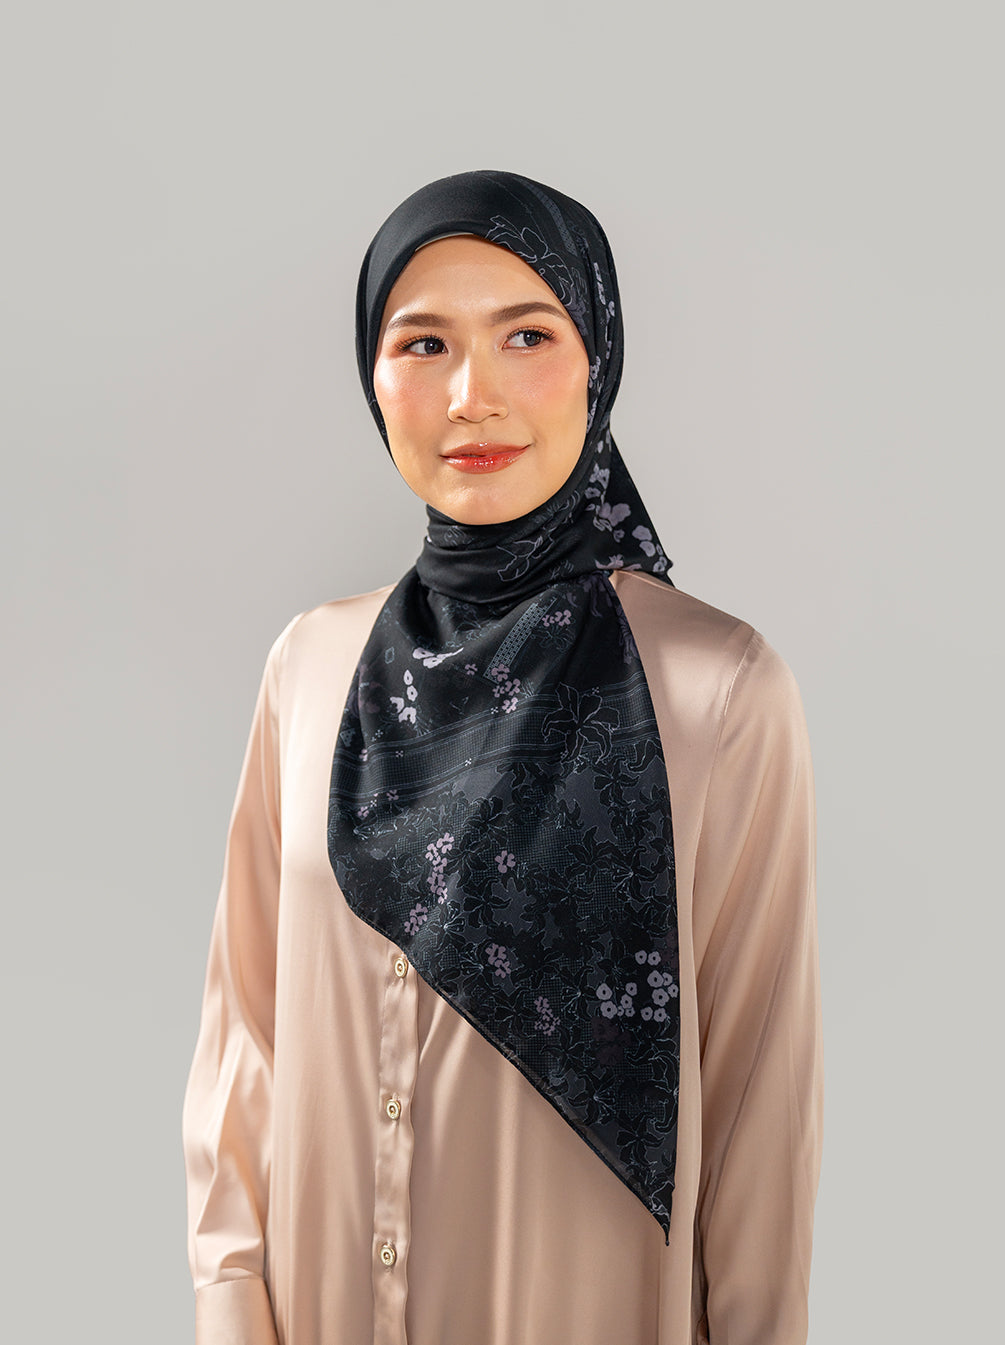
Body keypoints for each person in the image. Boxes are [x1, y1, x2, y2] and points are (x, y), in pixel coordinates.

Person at [181, 169, 824, 1345]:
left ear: (598, 360)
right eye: (423, 344)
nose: (471, 396)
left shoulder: (715, 691)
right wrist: (230, 1314)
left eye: (527, 335)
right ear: (374, 378)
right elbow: (246, 1048)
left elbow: (757, 1111)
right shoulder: (309, 667)